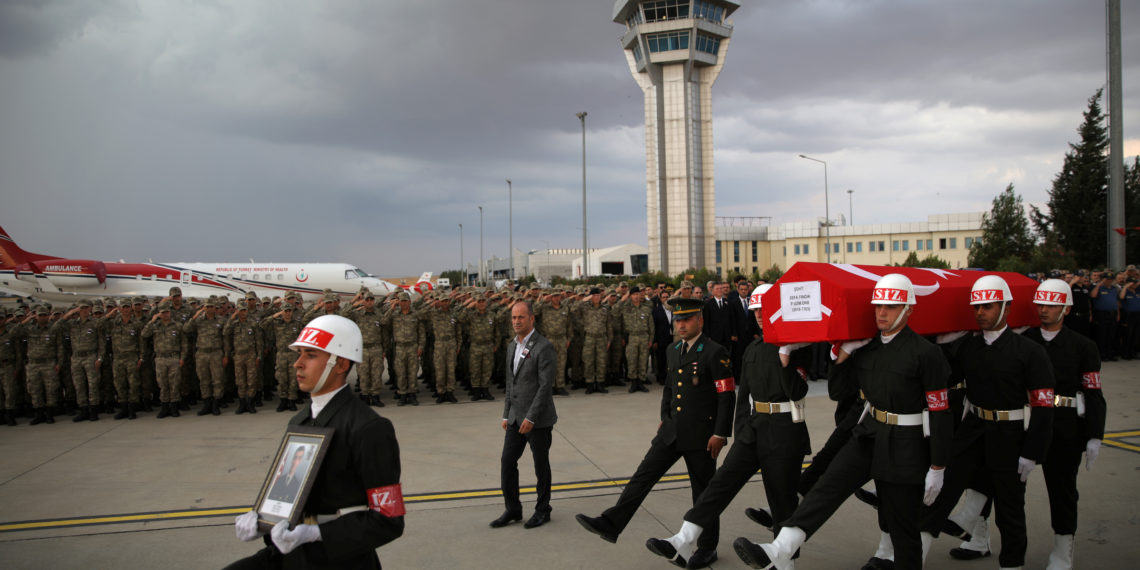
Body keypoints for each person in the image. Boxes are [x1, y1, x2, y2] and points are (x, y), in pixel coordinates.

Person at [734, 273, 953, 570]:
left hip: (905, 443)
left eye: (890, 306)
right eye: (878, 306)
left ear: (908, 309)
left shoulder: (927, 353)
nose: (882, 313)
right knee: (826, 489)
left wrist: (937, 466)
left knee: (903, 527)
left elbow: (940, 411)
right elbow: (838, 392)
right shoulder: (868, 348)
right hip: (868, 433)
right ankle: (779, 548)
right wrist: (843, 355)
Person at [646, 285, 809, 569]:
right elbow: (743, 394)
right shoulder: (753, 349)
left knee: (781, 501)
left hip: (783, 432)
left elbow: (797, 392)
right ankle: (683, 538)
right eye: (756, 310)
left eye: (765, 310)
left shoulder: (795, 347)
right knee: (719, 485)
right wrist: (740, 429)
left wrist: (785, 357)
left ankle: (784, 563)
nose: (760, 315)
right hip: (753, 430)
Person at [228, 314, 404, 569]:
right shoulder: (301, 421)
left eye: (310, 355)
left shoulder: (369, 428)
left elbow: (389, 520)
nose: (297, 364)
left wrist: (316, 533)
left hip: (339, 560)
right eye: (299, 354)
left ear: (341, 364)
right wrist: (263, 522)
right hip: (292, 553)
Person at [576, 297, 735, 567]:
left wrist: (720, 433)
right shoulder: (674, 350)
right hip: (672, 432)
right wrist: (664, 417)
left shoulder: (714, 351)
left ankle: (707, 548)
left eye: (686, 320)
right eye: (678, 320)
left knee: (704, 493)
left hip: (701, 436)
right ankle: (612, 523)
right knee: (642, 476)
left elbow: (726, 395)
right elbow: (670, 390)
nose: (680, 325)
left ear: (700, 320)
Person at [921, 274, 1055, 570]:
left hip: (1009, 435)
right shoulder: (969, 347)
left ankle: (1012, 564)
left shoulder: (1030, 352)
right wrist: (940, 343)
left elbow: (1044, 407)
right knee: (940, 494)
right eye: (977, 307)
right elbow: (945, 378)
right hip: (973, 430)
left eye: (988, 307)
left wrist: (1032, 452)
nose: (980, 313)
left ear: (1006, 308)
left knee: (1009, 508)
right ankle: (911, 558)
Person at [1024, 279, 1105, 569]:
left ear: (1067, 309)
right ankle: (979, 536)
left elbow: (1093, 391)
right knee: (1001, 482)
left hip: (1065, 424)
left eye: (1050, 305)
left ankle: (1062, 549)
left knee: (1062, 489)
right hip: (1027, 420)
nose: (1043, 310)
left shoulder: (1083, 346)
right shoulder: (1025, 340)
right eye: (1040, 304)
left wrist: (1095, 434)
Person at [491, 300, 558, 530]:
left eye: (520, 317)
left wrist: (531, 417)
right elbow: (511, 382)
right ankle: (513, 508)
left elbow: (544, 386)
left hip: (537, 419)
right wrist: (506, 414)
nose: (516, 321)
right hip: (515, 417)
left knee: (541, 466)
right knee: (507, 462)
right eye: (513, 318)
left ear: (531, 319)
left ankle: (543, 509)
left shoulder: (544, 346)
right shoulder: (512, 346)